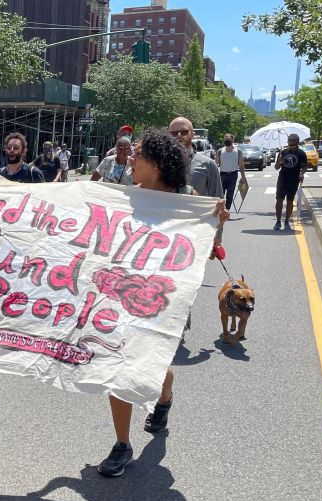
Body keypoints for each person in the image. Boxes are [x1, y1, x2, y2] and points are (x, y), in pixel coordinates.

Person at [97, 128, 230, 478]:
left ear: (156, 162)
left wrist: (216, 220)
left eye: (138, 154)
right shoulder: (126, 196)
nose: (131, 159)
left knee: (155, 366)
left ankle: (164, 398)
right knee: (121, 364)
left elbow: (205, 239)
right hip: (126, 293)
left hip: (166, 297)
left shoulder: (188, 196)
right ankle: (122, 444)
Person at [168, 117, 223, 200]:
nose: (179, 135)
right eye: (174, 133)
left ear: (193, 135)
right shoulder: (159, 164)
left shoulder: (208, 164)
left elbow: (218, 201)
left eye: (184, 132)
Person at [274, 133, 308, 231]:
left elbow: (305, 166)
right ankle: (278, 221)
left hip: (294, 180)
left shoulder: (301, 153)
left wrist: (302, 173)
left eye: (293, 140)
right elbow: (276, 167)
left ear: (297, 142)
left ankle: (287, 221)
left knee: (290, 201)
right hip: (283, 179)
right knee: (279, 199)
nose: (291, 142)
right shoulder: (283, 153)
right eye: (289, 140)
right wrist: (278, 161)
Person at [215, 133, 246, 210]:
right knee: (220, 194)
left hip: (233, 175)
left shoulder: (238, 151)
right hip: (222, 175)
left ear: (232, 140)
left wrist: (243, 177)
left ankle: (227, 209)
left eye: (228, 138)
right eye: (225, 138)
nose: (227, 140)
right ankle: (220, 209)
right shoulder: (220, 151)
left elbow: (241, 165)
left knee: (230, 194)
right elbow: (215, 165)